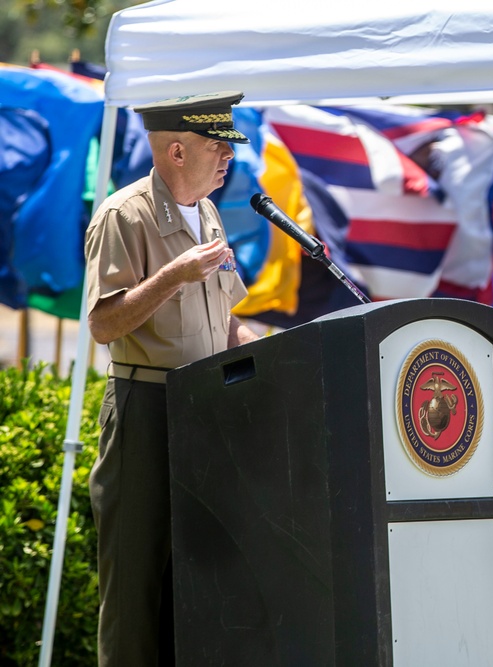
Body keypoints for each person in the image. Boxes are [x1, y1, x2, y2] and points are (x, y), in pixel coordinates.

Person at [85, 91, 259, 666]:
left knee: (192, 581)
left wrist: (272, 351)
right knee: (136, 584)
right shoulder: (123, 214)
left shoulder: (207, 213)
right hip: (147, 406)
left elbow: (223, 320)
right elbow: (105, 324)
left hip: (202, 408)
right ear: (178, 150)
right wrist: (172, 276)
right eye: (218, 146)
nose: (229, 157)